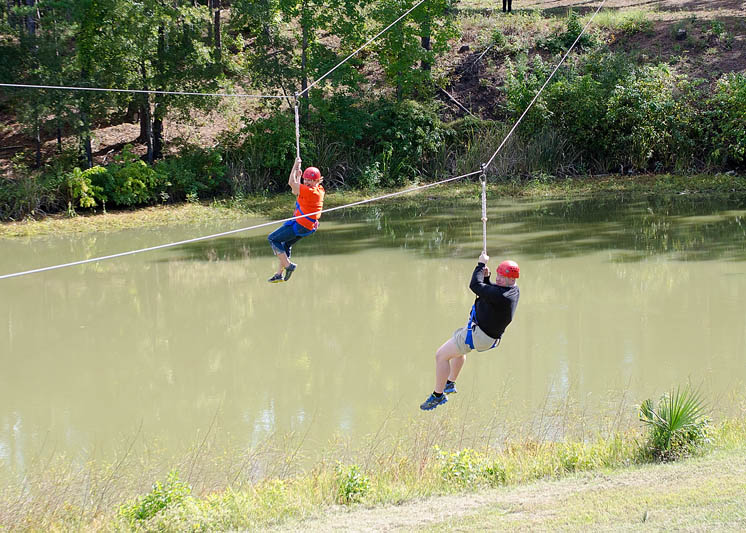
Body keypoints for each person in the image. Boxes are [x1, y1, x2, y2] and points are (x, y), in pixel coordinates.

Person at [420, 252, 520, 410]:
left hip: (479, 335)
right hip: (487, 337)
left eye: (502, 278)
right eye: (498, 275)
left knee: (441, 355)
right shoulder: (512, 290)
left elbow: (475, 286)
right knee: (459, 351)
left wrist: (480, 266)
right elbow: (488, 293)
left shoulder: (503, 295)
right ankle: (449, 383)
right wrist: (487, 278)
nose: (498, 279)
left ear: (512, 279)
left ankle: (437, 396)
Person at [267, 157, 325, 283]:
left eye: (312, 180)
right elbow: (295, 191)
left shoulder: (311, 192)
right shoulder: (319, 190)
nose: (308, 182)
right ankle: (279, 274)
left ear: (318, 181)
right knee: (285, 244)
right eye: (306, 179)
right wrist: (299, 177)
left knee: (273, 239)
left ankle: (289, 266)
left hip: (300, 225)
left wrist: (294, 166)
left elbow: (291, 184)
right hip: (308, 227)